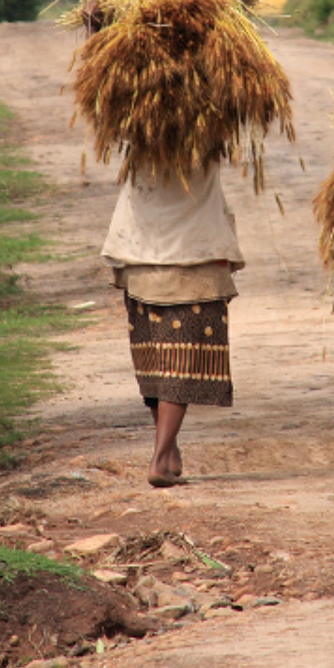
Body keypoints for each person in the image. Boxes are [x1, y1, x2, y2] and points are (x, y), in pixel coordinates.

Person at [102, 160, 244, 488]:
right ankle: (159, 460)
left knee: (155, 363)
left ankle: (169, 452)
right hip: (193, 268)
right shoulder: (203, 149)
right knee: (180, 367)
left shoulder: (139, 147)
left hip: (141, 263)